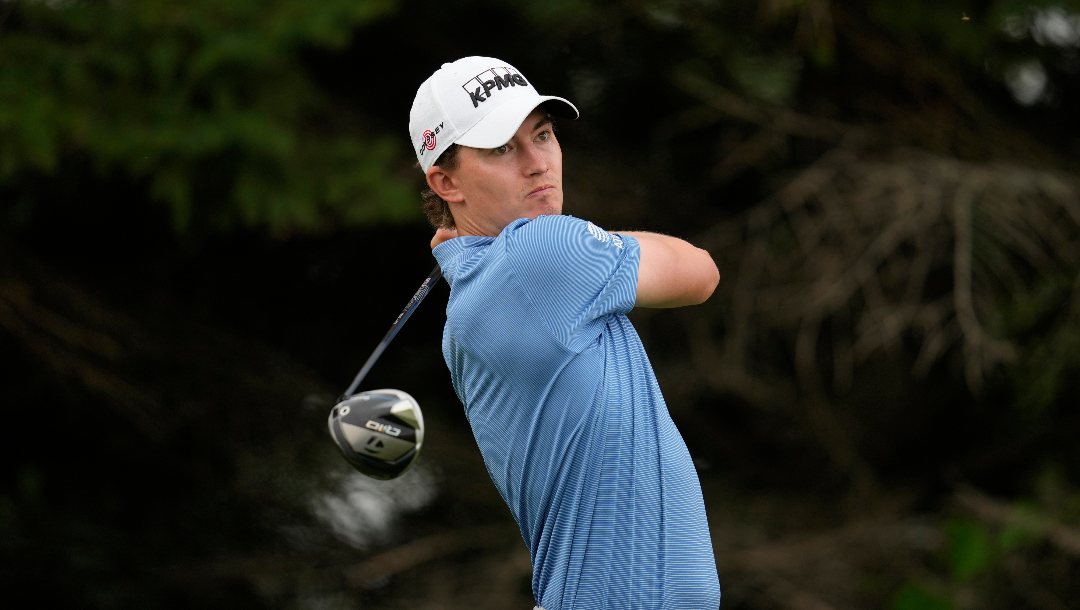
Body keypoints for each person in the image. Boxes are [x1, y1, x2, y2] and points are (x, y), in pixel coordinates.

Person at [408, 56, 722, 609]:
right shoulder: (544, 252)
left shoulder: (474, 302)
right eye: (502, 148)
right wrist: (592, 240)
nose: (537, 164)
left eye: (544, 135)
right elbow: (700, 271)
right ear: (445, 181)